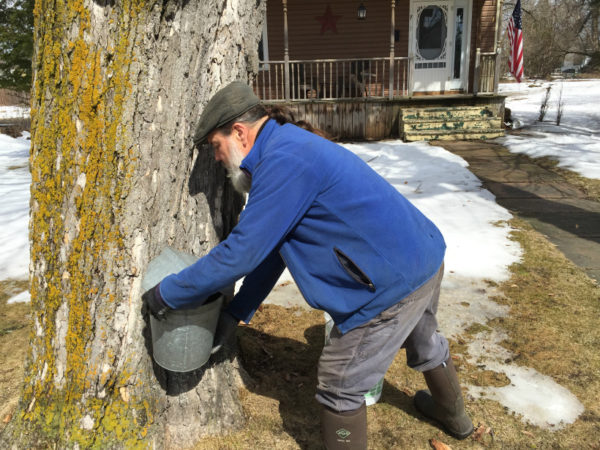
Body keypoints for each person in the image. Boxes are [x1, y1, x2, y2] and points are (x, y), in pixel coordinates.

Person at [142, 81, 473, 448]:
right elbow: (273, 251)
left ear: (239, 132)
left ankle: (445, 418)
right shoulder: (287, 147)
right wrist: (234, 313)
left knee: (340, 387)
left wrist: (167, 293)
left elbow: (242, 253)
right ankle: (454, 418)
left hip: (389, 285)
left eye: (215, 147)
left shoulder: (284, 162)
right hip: (422, 255)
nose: (217, 159)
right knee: (426, 343)